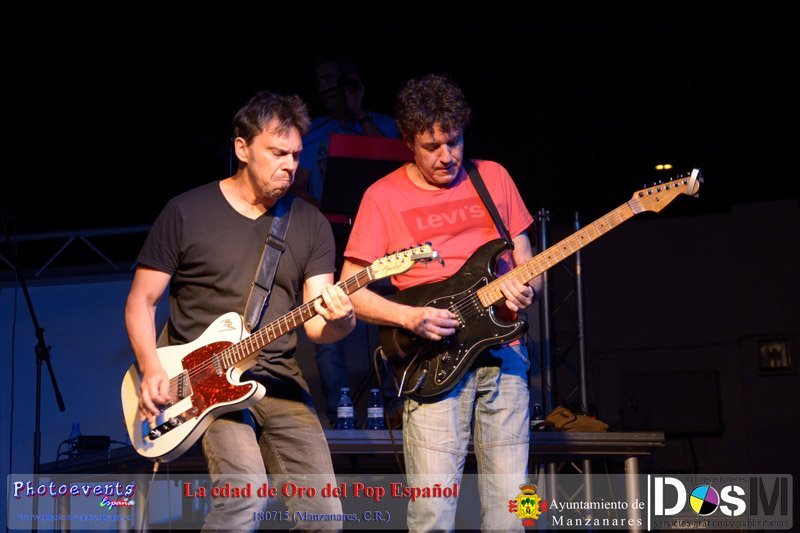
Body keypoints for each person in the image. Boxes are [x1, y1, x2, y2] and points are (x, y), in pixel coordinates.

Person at [125, 90, 355, 530]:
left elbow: (317, 326)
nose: (290, 165)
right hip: (202, 381)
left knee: (324, 517)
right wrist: (151, 368)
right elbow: (141, 300)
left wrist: (342, 321)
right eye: (277, 153)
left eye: (296, 155)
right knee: (244, 497)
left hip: (279, 378)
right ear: (242, 148)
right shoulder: (185, 212)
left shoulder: (311, 224)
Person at [341, 74, 541, 531]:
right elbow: (350, 288)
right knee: (432, 513)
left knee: (516, 511)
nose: (447, 156)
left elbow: (528, 260)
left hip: (506, 355)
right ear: (408, 142)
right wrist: (409, 317)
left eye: (454, 141)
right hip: (435, 359)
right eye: (432, 146)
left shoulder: (493, 176)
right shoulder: (382, 197)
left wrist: (528, 288)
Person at [292, 53, 401, 427]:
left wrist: (360, 114)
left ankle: (396, 406)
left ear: (350, 80)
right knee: (326, 315)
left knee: (393, 315)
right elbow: (299, 188)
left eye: (331, 79)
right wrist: (327, 213)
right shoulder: (314, 133)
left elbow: (400, 169)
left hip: (386, 238)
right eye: (320, 81)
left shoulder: (383, 125)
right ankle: (340, 414)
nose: (324, 87)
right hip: (334, 236)